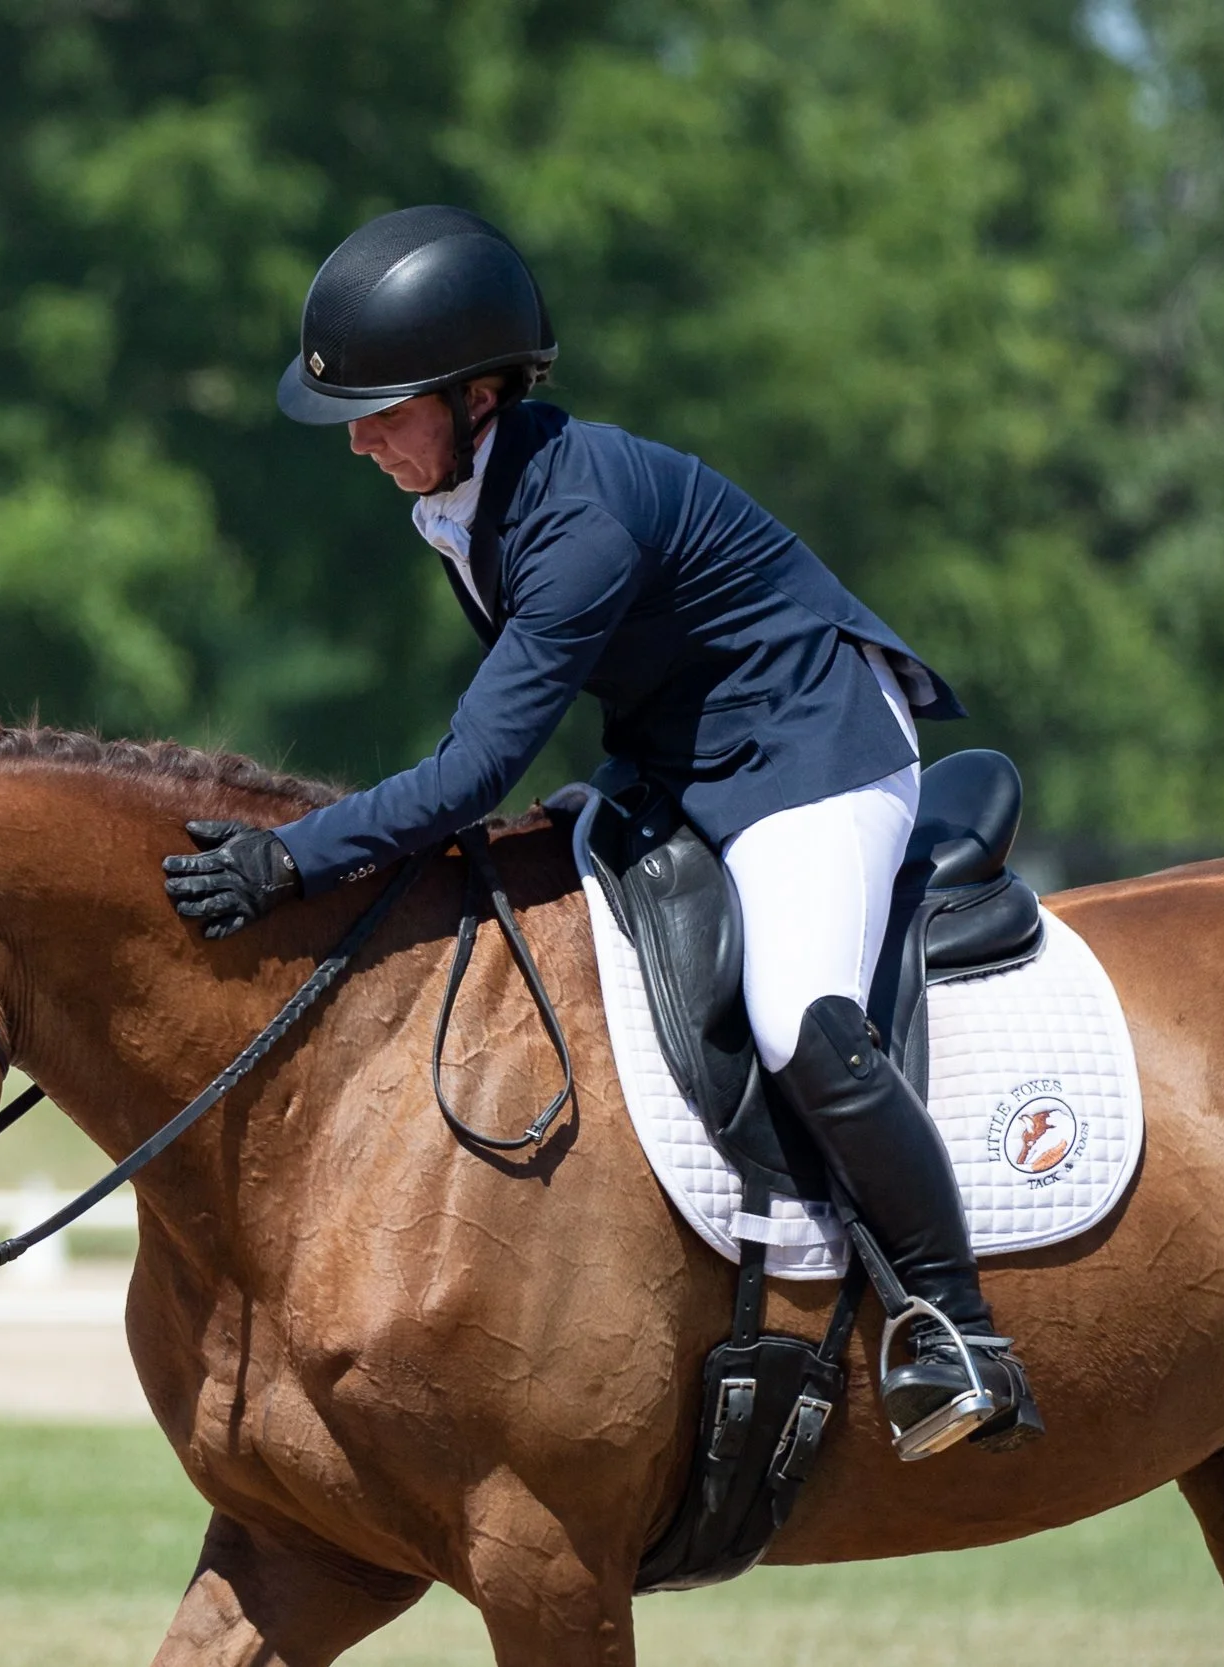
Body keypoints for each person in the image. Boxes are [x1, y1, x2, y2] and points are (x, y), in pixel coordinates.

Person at [160, 205, 1038, 1457]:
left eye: (384, 411)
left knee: (797, 1012)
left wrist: (291, 855)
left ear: (477, 395)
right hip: (686, 758)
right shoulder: (465, 495)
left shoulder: (575, 522)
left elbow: (468, 770)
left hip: (814, 749)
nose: (359, 443)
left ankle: (955, 1328)